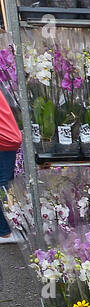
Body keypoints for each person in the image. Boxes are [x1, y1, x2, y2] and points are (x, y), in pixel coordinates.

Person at [0, 85, 20, 243]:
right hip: (7, 139)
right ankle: (6, 229)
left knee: (4, 183)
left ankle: (6, 229)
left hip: (5, 139)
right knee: (5, 182)